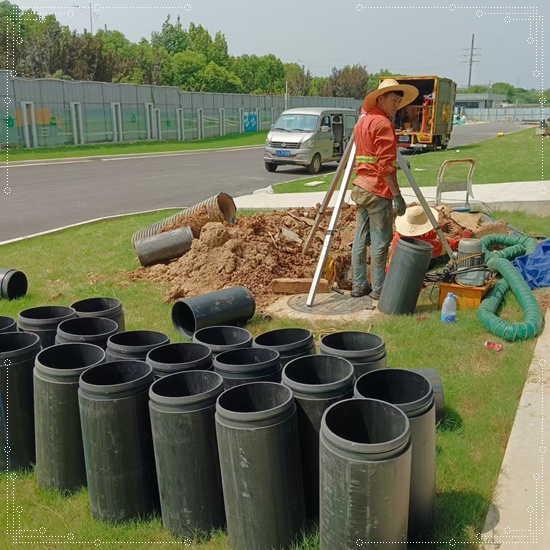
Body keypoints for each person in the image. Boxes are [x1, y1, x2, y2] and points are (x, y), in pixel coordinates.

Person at [350, 78, 419, 299]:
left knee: (360, 240)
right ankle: (379, 289)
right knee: (380, 242)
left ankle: (359, 285)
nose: (396, 105)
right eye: (392, 100)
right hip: (378, 190)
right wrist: (397, 196)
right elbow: (383, 166)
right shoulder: (383, 124)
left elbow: (368, 155)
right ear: (380, 99)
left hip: (360, 186)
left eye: (399, 101)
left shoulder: (362, 122)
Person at [389, 205, 464, 268]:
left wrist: (435, 230)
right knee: (449, 256)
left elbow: (418, 235)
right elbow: (445, 246)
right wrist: (462, 239)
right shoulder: (423, 244)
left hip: (394, 268)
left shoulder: (399, 235)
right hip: (410, 273)